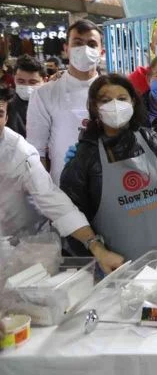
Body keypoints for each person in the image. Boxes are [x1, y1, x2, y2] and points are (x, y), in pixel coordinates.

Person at [59, 74, 157, 261]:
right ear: (95, 108)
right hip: (115, 271)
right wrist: (97, 257)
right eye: (106, 100)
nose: (115, 105)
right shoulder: (84, 158)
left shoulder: (156, 144)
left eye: (122, 99)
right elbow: (71, 216)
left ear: (133, 102)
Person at [0, 86, 124, 273]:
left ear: (6, 118)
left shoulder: (19, 153)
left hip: (22, 246)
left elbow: (54, 202)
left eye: (0, 113)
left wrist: (96, 246)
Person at [27, 20, 104, 185]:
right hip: (63, 188)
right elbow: (36, 152)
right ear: (66, 49)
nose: (85, 49)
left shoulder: (113, 91)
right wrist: (47, 194)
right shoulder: (44, 94)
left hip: (109, 186)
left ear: (101, 52)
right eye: (77, 43)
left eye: (91, 44)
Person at [8, 55, 47, 138]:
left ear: (44, 80)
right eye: (20, 81)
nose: (27, 86)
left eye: (32, 82)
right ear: (14, 79)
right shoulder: (7, 106)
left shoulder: (52, 105)